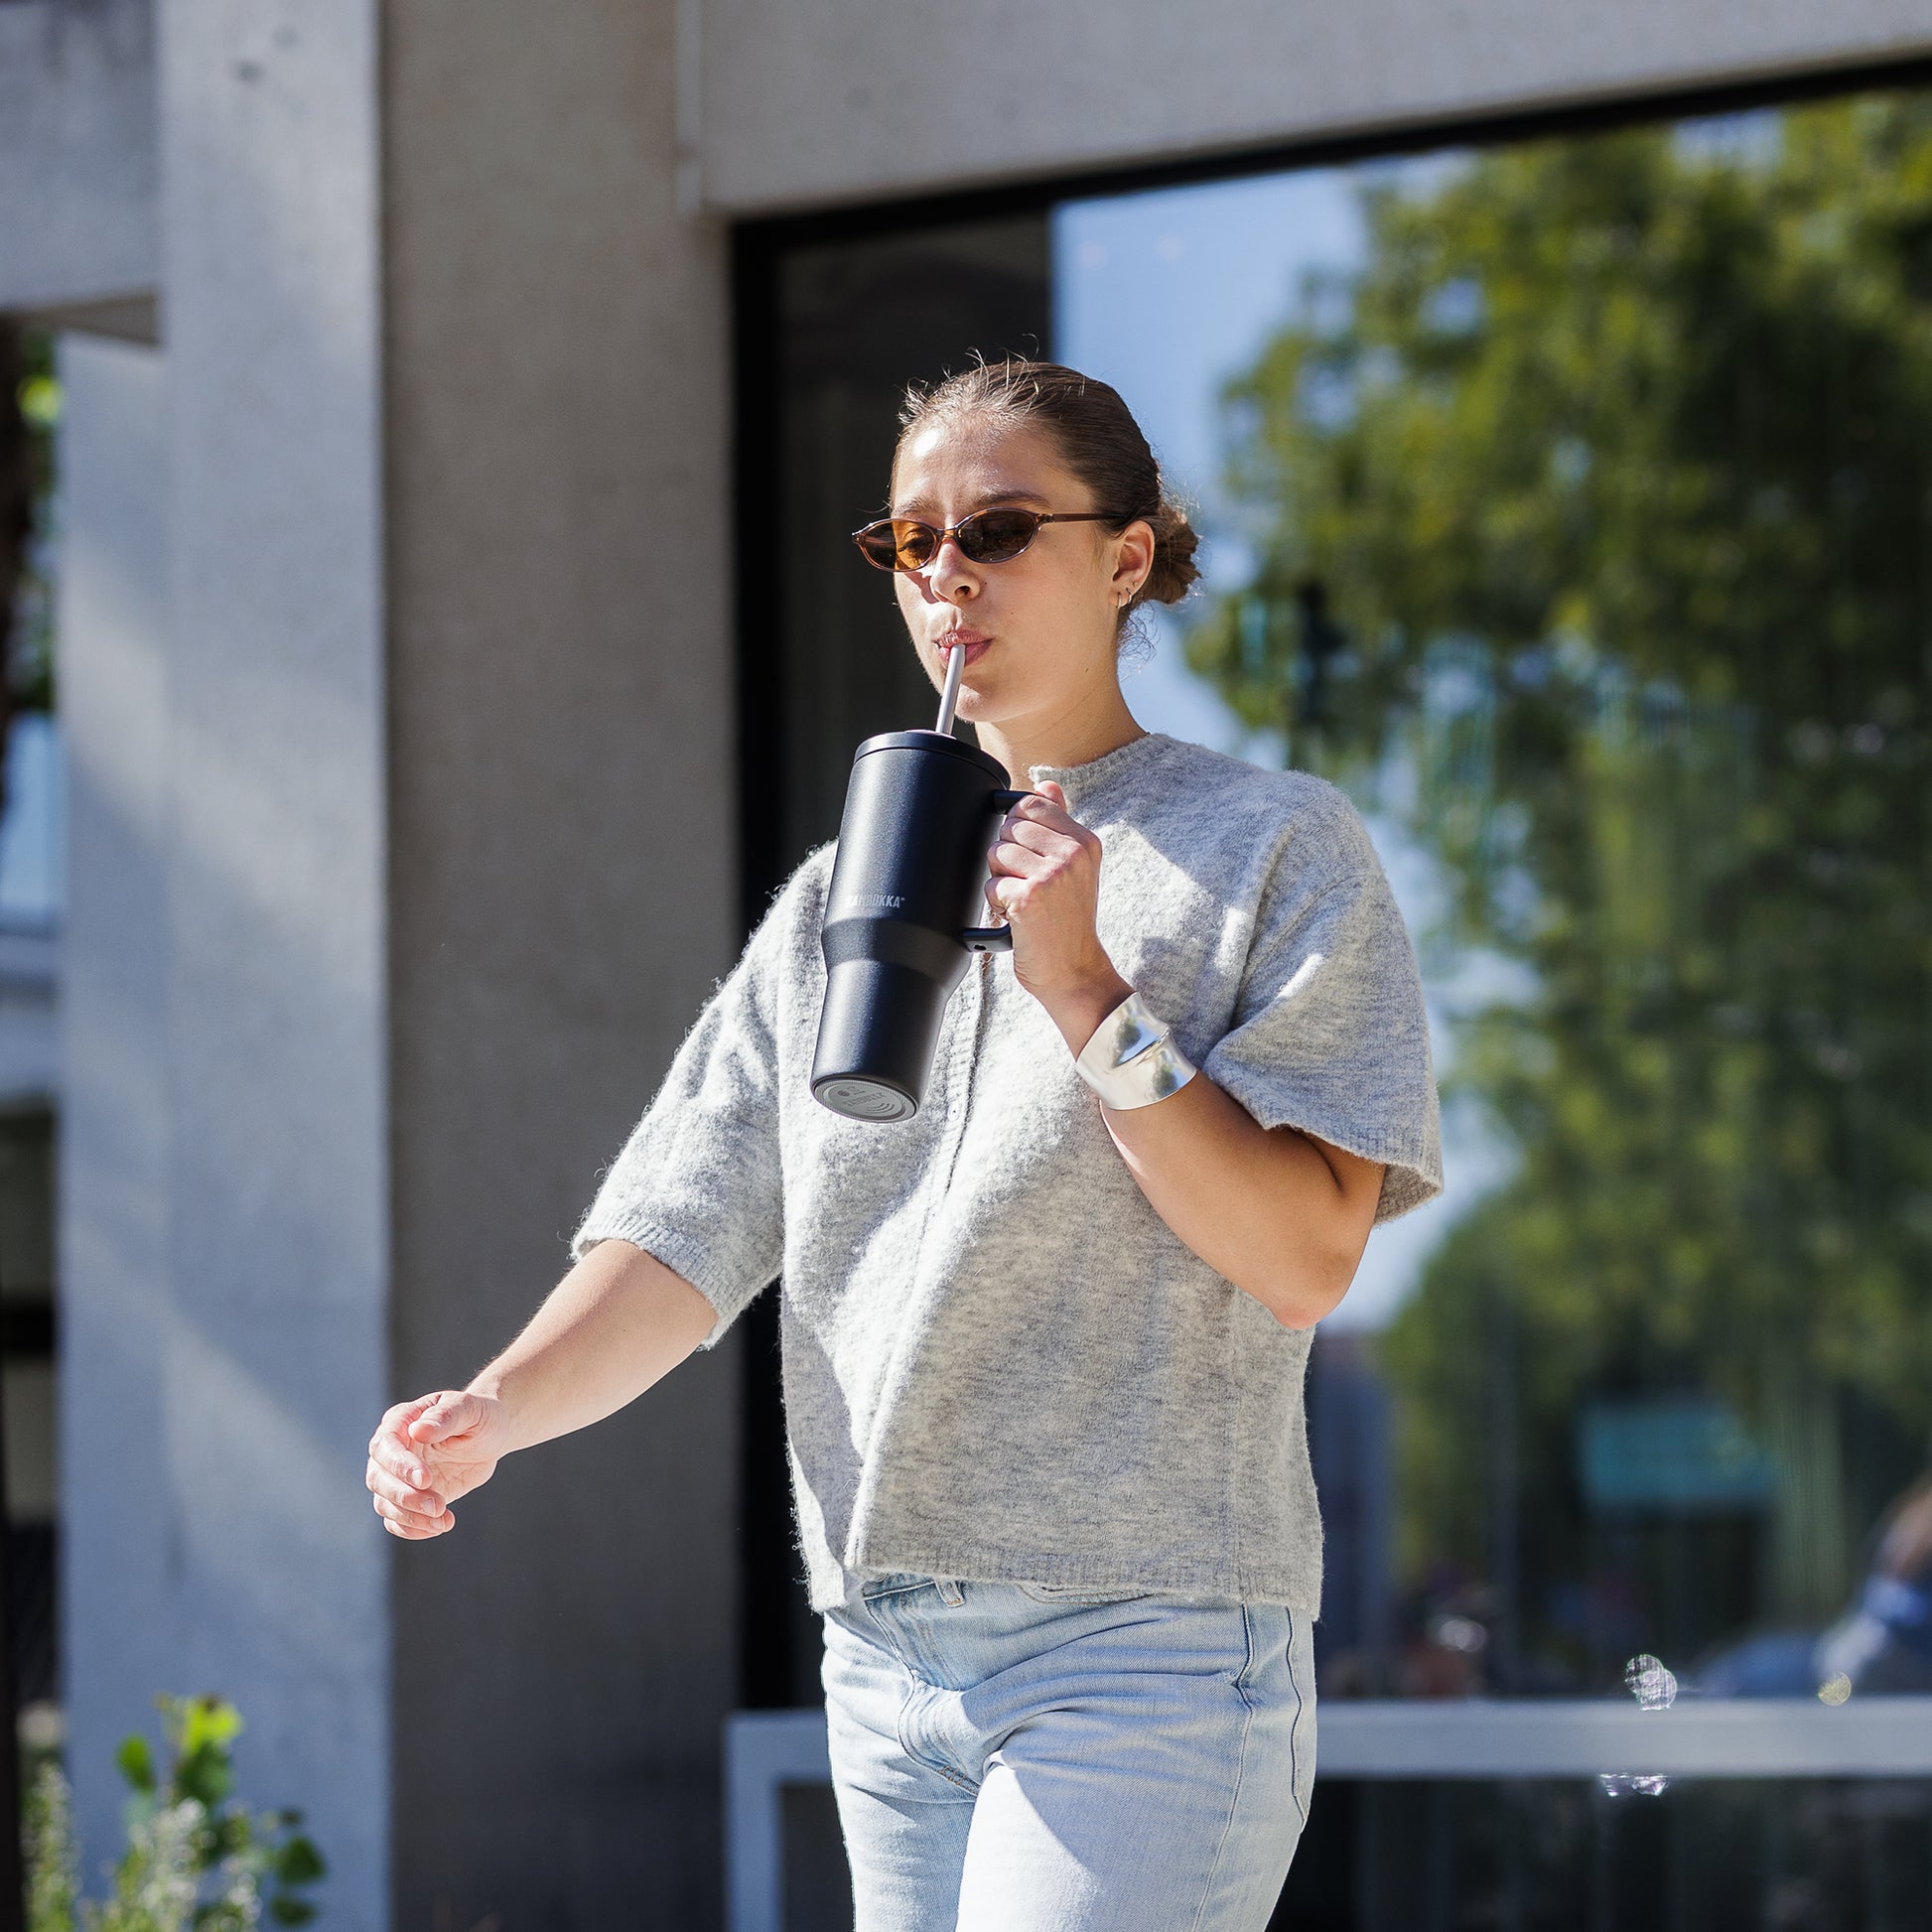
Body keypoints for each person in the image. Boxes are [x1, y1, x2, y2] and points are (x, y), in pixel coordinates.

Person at [365, 358, 1443, 1931]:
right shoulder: (832, 896)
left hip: (1140, 1647)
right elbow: (686, 1225)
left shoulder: (1272, 847)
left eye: (997, 529)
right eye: (909, 540)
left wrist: (1082, 988)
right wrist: (495, 1407)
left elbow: (1300, 1256)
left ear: (1126, 556)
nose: (946, 575)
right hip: (882, 1659)